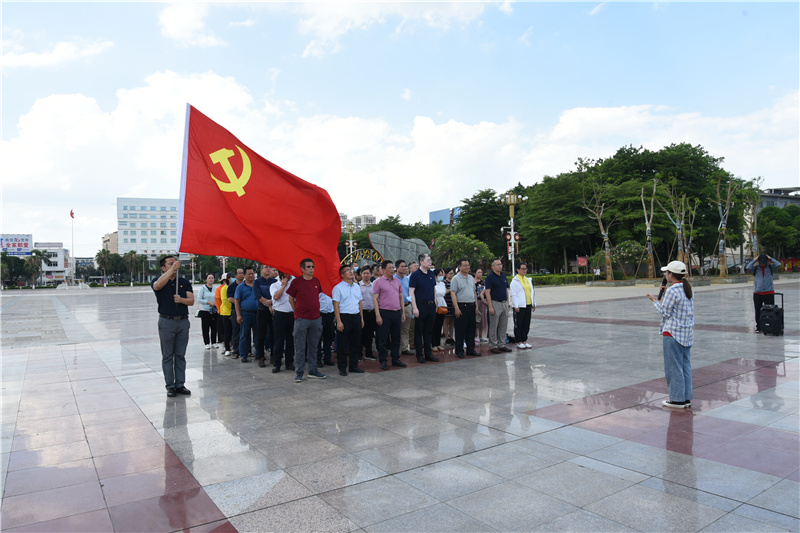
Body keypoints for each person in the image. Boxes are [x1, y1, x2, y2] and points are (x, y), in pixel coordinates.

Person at [648, 261, 694, 409]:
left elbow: (665, 312)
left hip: (672, 333)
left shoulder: (673, 291)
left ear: (671, 274)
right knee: (685, 365)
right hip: (686, 333)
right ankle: (686, 397)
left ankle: (677, 399)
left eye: (666, 272)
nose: (665, 275)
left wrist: (655, 300)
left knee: (673, 367)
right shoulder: (686, 289)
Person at [152, 256, 194, 397]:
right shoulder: (159, 281)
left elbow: (191, 301)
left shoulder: (183, 282)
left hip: (183, 321)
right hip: (166, 322)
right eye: (171, 264)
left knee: (180, 355)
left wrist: (181, 300)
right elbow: (157, 286)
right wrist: (171, 272)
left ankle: (180, 384)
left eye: (175, 263)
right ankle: (170, 385)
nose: (175, 265)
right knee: (168, 356)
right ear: (163, 268)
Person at [286, 258, 326, 383]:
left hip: (316, 318)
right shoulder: (296, 282)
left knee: (314, 346)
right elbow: (290, 299)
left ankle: (313, 370)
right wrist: (296, 312)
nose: (311, 269)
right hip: (301, 319)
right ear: (302, 269)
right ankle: (299, 372)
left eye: (312, 266)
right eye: (308, 267)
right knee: (300, 346)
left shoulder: (316, 281)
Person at [373, 260, 407, 370]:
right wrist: (378, 315)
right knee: (383, 338)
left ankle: (395, 359)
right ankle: (383, 360)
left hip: (396, 312)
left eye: (393, 267)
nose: (393, 269)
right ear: (383, 270)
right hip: (384, 312)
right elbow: (375, 298)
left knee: (396, 337)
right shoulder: (378, 282)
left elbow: (401, 297)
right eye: (390, 268)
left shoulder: (397, 281)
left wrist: (403, 312)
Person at [333, 265, 365, 375]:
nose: (351, 272)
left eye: (351, 270)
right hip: (344, 317)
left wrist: (361, 318)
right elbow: (336, 305)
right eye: (347, 271)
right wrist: (339, 321)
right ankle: (342, 367)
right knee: (342, 343)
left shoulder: (356, 286)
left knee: (355, 343)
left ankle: (353, 366)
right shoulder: (338, 288)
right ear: (342, 275)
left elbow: (360, 303)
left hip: (355, 316)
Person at [409, 253, 439, 363]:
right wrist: (414, 308)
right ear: (421, 262)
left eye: (430, 260)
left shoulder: (431, 274)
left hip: (431, 305)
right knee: (419, 332)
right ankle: (419, 355)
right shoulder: (415, 275)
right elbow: (411, 292)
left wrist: (435, 303)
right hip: (420, 304)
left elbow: (433, 290)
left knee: (428, 331)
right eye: (428, 260)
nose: (430, 262)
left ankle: (428, 354)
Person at [744, 254, 781, 333]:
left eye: (764, 262)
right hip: (758, 293)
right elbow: (748, 267)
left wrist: (771, 258)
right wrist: (755, 260)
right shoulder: (756, 268)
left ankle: (771, 325)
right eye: (761, 262)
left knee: (770, 311)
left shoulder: (771, 267)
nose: (763, 264)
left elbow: (779, 264)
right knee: (758, 310)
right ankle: (759, 327)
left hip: (769, 292)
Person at [450, 259, 480, 358]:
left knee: (471, 329)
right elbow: (453, 293)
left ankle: (471, 349)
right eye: (465, 266)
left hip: (471, 306)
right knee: (460, 330)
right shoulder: (456, 278)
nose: (467, 267)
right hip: (461, 306)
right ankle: (459, 350)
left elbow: (474, 292)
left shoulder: (471, 277)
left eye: (468, 265)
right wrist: (456, 308)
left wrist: (476, 306)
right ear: (459, 267)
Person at [484, 258, 512, 354]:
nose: (500, 266)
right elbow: (487, 293)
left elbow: (505, 290)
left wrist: (507, 303)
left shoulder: (503, 276)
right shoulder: (490, 278)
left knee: (503, 325)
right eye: (497, 264)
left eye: (500, 264)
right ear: (493, 267)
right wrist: (490, 306)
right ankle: (493, 345)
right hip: (495, 303)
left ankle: (502, 344)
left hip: (504, 303)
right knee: (494, 325)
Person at [270, 271, 295, 373]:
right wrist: (283, 286)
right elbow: (276, 297)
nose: (290, 275)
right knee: (279, 341)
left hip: (291, 314)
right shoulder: (274, 285)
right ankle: (277, 363)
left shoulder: (294, 283)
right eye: (287, 273)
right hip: (280, 314)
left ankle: (289, 363)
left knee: (290, 340)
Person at [234, 266, 259, 363]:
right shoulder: (240, 287)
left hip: (258, 313)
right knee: (244, 334)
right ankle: (244, 354)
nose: (251, 275)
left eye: (253, 273)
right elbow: (237, 301)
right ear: (245, 275)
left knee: (258, 334)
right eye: (249, 274)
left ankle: (258, 354)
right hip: (245, 313)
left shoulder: (257, 285)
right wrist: (238, 315)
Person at [509, 263, 536, 349]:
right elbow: (513, 294)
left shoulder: (528, 279)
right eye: (522, 268)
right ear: (518, 269)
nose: (524, 270)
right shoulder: (515, 281)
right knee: (519, 324)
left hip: (527, 304)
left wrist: (533, 303)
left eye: (525, 269)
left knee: (526, 324)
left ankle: (524, 340)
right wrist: (515, 305)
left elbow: (531, 292)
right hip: (519, 306)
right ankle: (519, 341)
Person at [254, 265, 276, 367]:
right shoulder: (257, 282)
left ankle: (273, 355)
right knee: (261, 334)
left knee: (274, 334)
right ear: (261, 270)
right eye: (265, 267)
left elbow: (276, 295)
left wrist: (271, 302)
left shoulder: (275, 281)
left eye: (269, 267)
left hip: (273, 310)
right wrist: (268, 304)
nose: (268, 269)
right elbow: (258, 296)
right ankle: (261, 356)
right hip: (262, 310)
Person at [395, 260, 414, 355]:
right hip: (397, 306)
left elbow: (410, 292)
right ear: (397, 268)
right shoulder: (393, 279)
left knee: (405, 329)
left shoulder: (407, 279)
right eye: (402, 266)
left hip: (407, 306)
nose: (404, 268)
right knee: (396, 328)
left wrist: (411, 303)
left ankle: (405, 348)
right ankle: (395, 348)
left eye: (405, 266)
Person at [359, 265, 377, 361]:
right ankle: (359, 355)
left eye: (368, 273)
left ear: (371, 275)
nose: (366, 275)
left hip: (372, 312)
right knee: (360, 335)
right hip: (361, 313)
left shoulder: (374, 286)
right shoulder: (357, 286)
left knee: (370, 335)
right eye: (364, 273)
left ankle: (369, 353)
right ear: (361, 275)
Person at [197, 274, 218, 349]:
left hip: (214, 310)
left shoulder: (216, 288)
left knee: (214, 327)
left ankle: (214, 342)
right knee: (205, 327)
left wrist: (215, 304)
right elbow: (199, 299)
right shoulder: (202, 288)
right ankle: (206, 343)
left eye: (212, 278)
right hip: (205, 310)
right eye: (209, 278)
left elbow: (218, 297)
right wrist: (208, 302)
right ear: (206, 279)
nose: (211, 279)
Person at [227, 268, 245, 357]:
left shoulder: (248, 285)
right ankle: (236, 351)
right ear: (236, 275)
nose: (241, 275)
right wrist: (238, 302)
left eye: (243, 273)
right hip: (235, 310)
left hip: (246, 310)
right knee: (236, 330)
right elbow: (230, 299)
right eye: (239, 273)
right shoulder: (232, 286)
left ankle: (247, 350)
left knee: (246, 331)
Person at [317, 291, 335, 367]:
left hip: (330, 314)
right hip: (320, 314)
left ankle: (327, 358)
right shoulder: (318, 288)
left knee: (328, 337)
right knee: (318, 338)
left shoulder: (332, 289)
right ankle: (317, 359)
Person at [216, 275, 232, 355]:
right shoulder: (224, 288)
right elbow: (225, 300)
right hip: (226, 312)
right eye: (230, 278)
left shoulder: (233, 287)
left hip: (232, 311)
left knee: (233, 331)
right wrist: (232, 308)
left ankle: (232, 346)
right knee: (227, 331)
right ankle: (227, 348)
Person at [431, 268, 447, 352]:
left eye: (442, 275)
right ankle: (433, 344)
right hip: (435, 305)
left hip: (442, 304)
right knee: (434, 325)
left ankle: (438, 343)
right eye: (439, 275)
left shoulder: (442, 284)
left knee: (439, 325)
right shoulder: (433, 284)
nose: (441, 277)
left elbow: (443, 293)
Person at [474, 268, 489, 343]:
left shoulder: (484, 282)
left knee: (483, 319)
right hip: (476, 302)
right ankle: (475, 335)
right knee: (476, 319)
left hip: (483, 302)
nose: (480, 274)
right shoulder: (473, 282)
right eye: (478, 272)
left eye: (481, 272)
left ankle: (481, 335)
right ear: (475, 274)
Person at [442, 267, 456, 345]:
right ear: (446, 274)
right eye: (450, 273)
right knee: (446, 321)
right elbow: (444, 291)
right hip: (446, 303)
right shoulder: (444, 282)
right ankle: (446, 337)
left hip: (453, 303)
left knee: (452, 321)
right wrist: (451, 289)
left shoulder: (454, 281)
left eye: (452, 273)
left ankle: (452, 337)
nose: (452, 275)